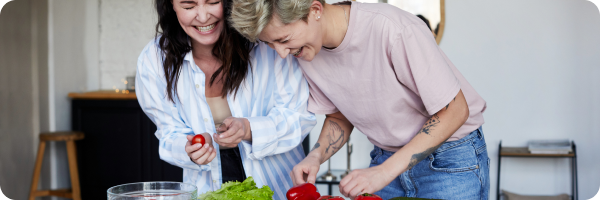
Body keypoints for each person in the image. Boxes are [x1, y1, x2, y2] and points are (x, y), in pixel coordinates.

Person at [229, 0, 489, 199]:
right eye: (272, 45)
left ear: (315, 10)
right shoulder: (307, 52)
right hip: (386, 160)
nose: (282, 54)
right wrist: (315, 157)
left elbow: (456, 110)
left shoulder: (393, 29)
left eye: (284, 40)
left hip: (450, 160)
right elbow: (340, 114)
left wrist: (385, 171)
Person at [135, 0, 316, 199]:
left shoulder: (267, 43)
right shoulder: (154, 59)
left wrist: (249, 129)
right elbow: (169, 133)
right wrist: (188, 149)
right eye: (189, 7)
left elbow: (298, 118)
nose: (203, 17)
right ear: (171, 6)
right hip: (208, 192)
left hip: (280, 189)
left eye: (213, 2)